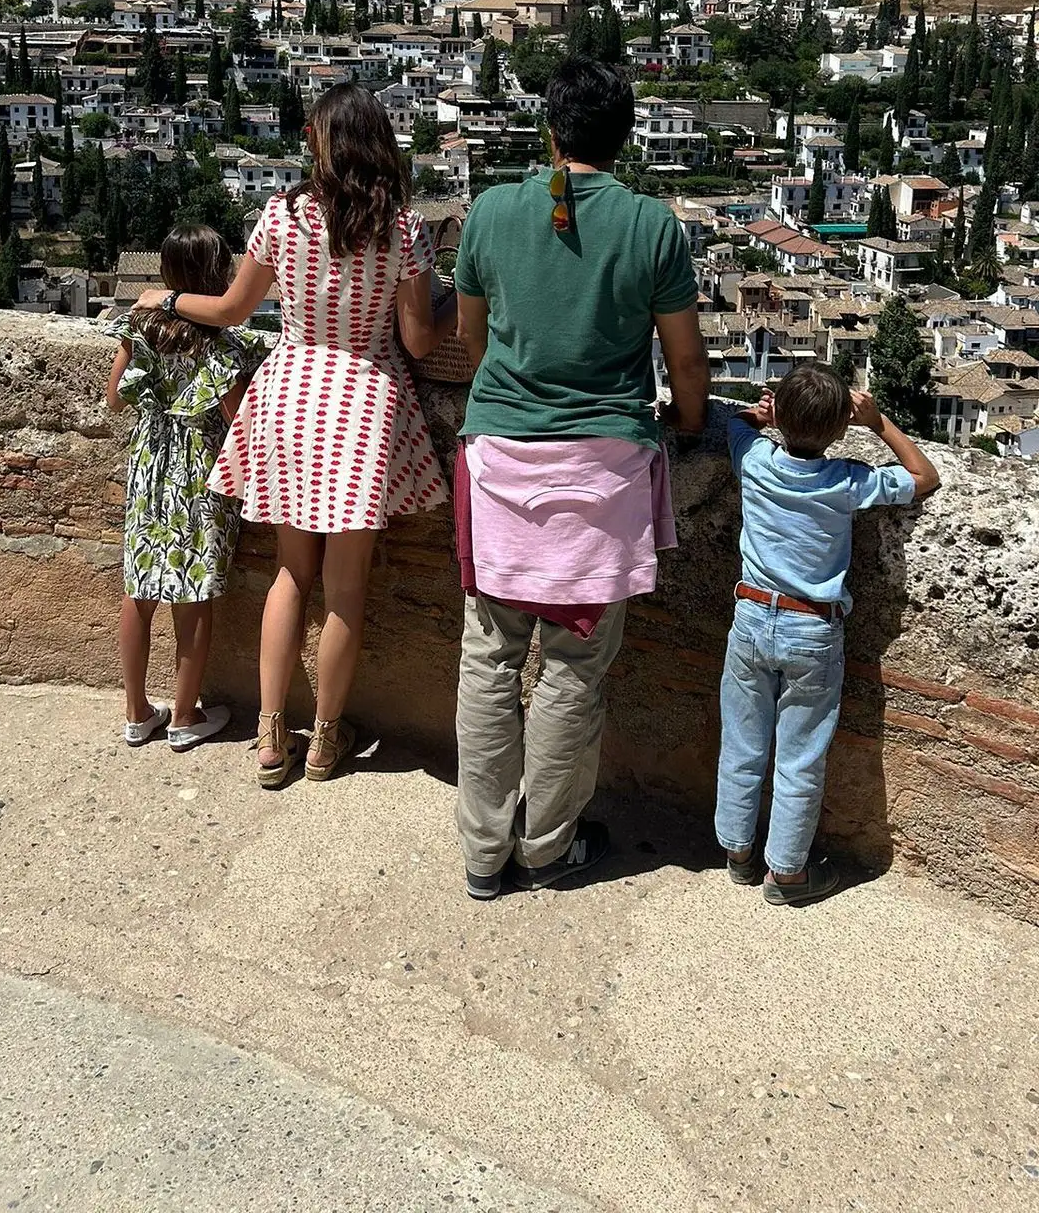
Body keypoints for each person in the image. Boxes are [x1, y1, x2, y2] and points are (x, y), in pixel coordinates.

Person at [136, 82, 454, 790]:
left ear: (322, 142)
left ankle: (272, 735)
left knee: (289, 575)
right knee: (345, 590)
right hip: (364, 405)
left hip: (287, 399)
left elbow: (232, 307)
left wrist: (167, 298)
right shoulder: (402, 228)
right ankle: (327, 741)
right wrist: (459, 306)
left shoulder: (280, 216)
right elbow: (419, 342)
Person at [453, 57, 709, 900]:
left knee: (489, 659)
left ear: (549, 131)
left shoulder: (491, 212)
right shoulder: (652, 227)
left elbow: (473, 337)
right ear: (626, 136)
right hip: (601, 480)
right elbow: (684, 359)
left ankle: (483, 855)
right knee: (570, 668)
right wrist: (695, 426)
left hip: (498, 468)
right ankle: (547, 847)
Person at [716, 363, 940, 904]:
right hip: (811, 629)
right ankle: (787, 872)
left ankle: (738, 851)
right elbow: (924, 478)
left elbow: (728, 418)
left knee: (741, 743)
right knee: (799, 756)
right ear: (841, 428)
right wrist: (880, 422)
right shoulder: (846, 481)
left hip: (750, 616)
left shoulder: (755, 456)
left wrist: (760, 414)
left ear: (780, 415)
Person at [108, 224, 268, 751]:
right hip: (200, 467)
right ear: (217, 274)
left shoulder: (140, 327)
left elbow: (115, 399)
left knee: (140, 588)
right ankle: (183, 715)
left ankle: (136, 712)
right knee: (193, 593)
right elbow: (234, 414)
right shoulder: (223, 342)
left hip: (150, 460)